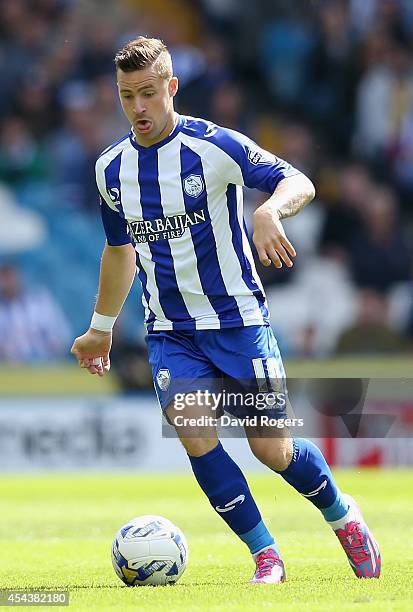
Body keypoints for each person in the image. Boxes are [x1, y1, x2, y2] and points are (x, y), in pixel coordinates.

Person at [71, 37, 381, 584]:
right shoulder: (111, 170)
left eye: (148, 93)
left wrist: (269, 211)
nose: (138, 107)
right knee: (192, 426)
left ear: (172, 88)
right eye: (126, 96)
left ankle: (342, 514)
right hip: (172, 331)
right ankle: (266, 555)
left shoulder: (212, 147)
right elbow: (119, 252)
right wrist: (100, 329)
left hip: (238, 322)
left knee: (272, 450)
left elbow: (298, 180)